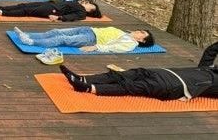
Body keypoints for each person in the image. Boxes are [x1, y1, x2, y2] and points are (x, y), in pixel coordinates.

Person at [59, 41, 218, 100]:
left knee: (134, 86)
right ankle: (86, 79)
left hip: (177, 86)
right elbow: (211, 50)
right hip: (168, 72)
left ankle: (88, 88)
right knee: (133, 73)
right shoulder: (208, 68)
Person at [13, 26, 154, 53]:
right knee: (55, 31)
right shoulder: (126, 34)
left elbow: (113, 48)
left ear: (142, 40)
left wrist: (94, 47)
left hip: (91, 38)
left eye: (142, 33)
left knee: (61, 38)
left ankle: (31, 42)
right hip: (88, 29)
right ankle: (28, 35)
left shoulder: (129, 43)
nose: (138, 31)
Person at [0, 0, 101, 21]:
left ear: (90, 11)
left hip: (54, 10)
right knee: (24, 5)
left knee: (27, 11)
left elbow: (73, 17)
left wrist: (59, 17)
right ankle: (0, 7)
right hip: (51, 4)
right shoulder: (78, 4)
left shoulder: (82, 13)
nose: (89, 4)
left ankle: (2, 13)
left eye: (91, 6)